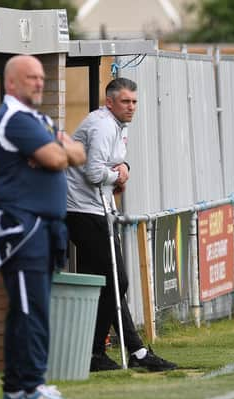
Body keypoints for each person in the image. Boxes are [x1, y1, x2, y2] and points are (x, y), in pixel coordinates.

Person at [0, 55, 85, 399]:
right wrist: (57, 150)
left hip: (45, 228)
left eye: (42, 77)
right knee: (32, 310)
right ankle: (31, 386)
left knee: (27, 309)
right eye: (31, 77)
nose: (40, 83)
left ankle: (16, 389)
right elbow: (60, 159)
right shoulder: (15, 119)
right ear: (11, 82)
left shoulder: (38, 119)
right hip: (22, 229)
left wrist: (56, 147)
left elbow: (78, 152)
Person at [65, 77, 177, 372]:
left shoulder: (117, 126)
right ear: (110, 102)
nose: (131, 107)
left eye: (134, 102)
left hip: (99, 209)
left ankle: (93, 353)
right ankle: (136, 350)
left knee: (102, 283)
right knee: (118, 281)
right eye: (126, 102)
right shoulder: (102, 125)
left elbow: (115, 163)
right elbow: (93, 173)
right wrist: (119, 176)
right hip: (84, 211)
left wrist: (124, 168)